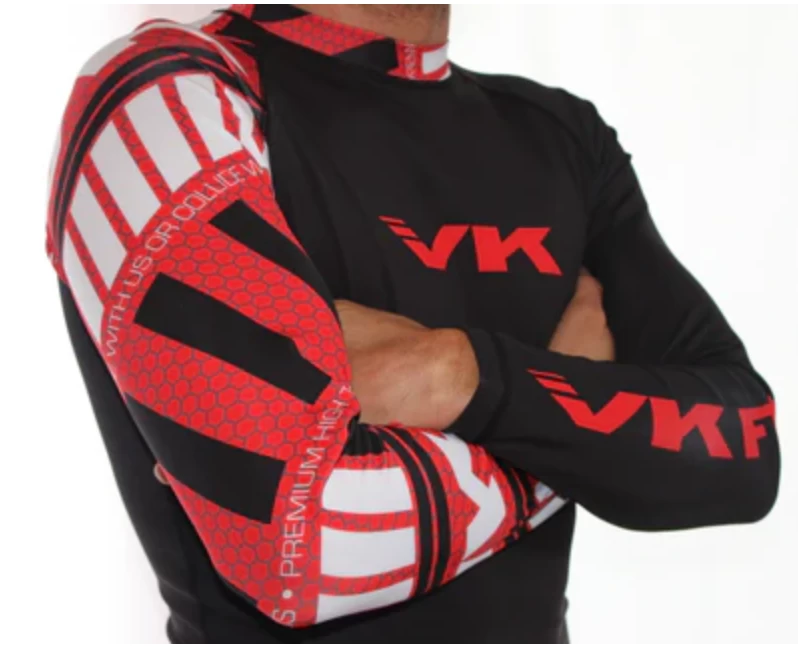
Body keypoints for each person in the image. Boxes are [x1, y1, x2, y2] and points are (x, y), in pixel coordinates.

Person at [46, 4, 780, 643]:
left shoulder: (561, 136)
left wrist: (457, 375)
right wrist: (566, 425)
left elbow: (743, 448)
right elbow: (303, 550)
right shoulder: (163, 96)